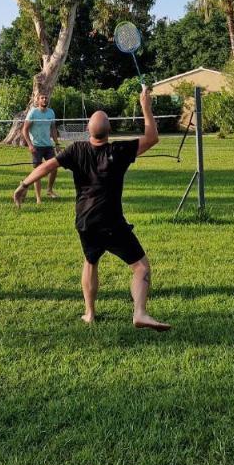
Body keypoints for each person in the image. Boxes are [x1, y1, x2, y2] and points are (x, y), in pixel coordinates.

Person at [14, 86, 170, 331]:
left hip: (85, 220)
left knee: (90, 262)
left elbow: (45, 167)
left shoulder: (76, 150)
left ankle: (89, 313)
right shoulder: (118, 151)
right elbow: (152, 138)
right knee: (140, 267)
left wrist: (24, 184)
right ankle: (139, 312)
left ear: (88, 130)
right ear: (110, 131)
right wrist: (146, 108)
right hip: (111, 221)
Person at [22, 92, 61, 202]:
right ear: (38, 100)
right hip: (36, 147)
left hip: (48, 146)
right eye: (42, 98)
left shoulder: (51, 112)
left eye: (46, 98)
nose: (44, 99)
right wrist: (30, 145)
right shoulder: (33, 112)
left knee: (54, 168)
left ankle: (49, 190)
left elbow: (53, 129)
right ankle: (38, 198)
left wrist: (57, 144)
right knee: (38, 172)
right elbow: (24, 130)